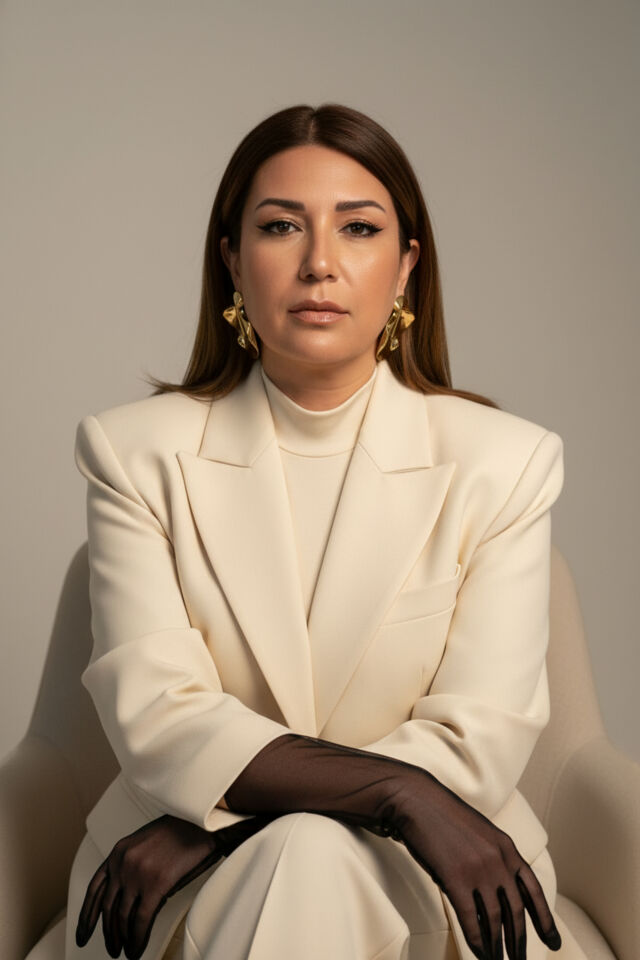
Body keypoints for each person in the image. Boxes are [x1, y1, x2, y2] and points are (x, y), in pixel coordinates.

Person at [57, 103, 588, 960]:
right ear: (232, 260)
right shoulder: (132, 452)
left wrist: (228, 820)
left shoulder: (507, 461)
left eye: (359, 228)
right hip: (170, 888)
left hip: (432, 869)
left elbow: (478, 737)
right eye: (280, 227)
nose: (319, 263)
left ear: (406, 265)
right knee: (302, 856)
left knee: (307, 853)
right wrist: (395, 792)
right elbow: (159, 718)